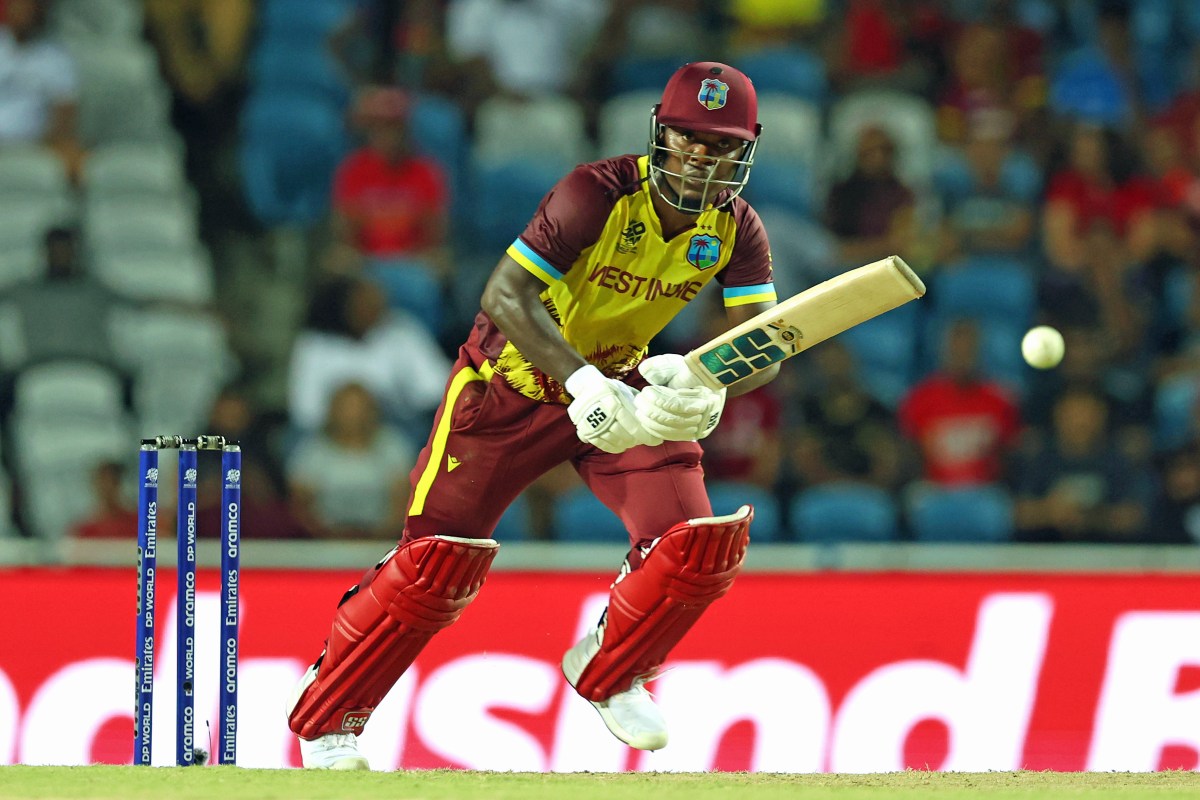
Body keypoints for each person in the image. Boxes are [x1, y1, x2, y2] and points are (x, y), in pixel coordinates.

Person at [286, 61, 778, 769]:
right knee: (434, 567)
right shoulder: (597, 192)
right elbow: (504, 296)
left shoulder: (737, 228)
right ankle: (330, 717)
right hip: (507, 387)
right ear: (661, 134)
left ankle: (612, 669)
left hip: (620, 385)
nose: (702, 156)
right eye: (689, 138)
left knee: (697, 545)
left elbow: (761, 343)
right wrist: (580, 382)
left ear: (746, 149)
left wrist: (711, 388)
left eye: (721, 144)